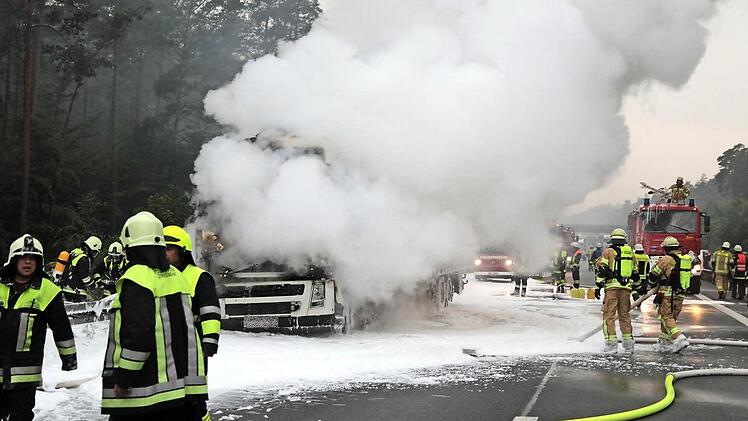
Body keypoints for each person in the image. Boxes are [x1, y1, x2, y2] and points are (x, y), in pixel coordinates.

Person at [101, 212, 207, 419]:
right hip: (179, 387)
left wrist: (124, 377)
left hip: (145, 389)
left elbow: (139, 333)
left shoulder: (137, 277)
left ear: (131, 246)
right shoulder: (176, 275)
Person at [0, 235, 77, 420]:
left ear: (39, 262)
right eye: (23, 257)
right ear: (13, 260)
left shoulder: (48, 291)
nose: (27, 262)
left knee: (21, 416)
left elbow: (62, 329)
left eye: (33, 258)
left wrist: (69, 360)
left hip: (25, 374)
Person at [164, 225, 220, 421]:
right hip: (168, 348)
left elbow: (210, 312)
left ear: (182, 251)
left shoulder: (199, 277)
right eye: (162, 248)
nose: (165, 253)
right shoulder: (161, 277)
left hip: (193, 348)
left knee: (194, 399)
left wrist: (209, 342)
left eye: (169, 248)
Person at [594, 228, 637, 353]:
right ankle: (629, 345)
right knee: (624, 315)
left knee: (609, 316)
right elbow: (635, 273)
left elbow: (602, 271)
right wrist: (635, 290)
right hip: (626, 289)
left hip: (612, 289)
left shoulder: (608, 252)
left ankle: (611, 345)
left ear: (612, 239)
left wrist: (598, 287)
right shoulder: (630, 252)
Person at [648, 236, 692, 353]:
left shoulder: (666, 259)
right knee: (670, 319)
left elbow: (653, 274)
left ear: (666, 249)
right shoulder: (685, 259)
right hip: (680, 295)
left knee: (666, 317)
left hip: (667, 294)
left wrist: (651, 284)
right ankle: (665, 343)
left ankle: (679, 338)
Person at [60, 235, 102, 302]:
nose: (94, 255)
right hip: (76, 291)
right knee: (82, 310)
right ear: (91, 249)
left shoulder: (76, 252)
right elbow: (85, 277)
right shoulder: (84, 259)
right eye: (95, 253)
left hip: (65, 287)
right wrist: (94, 285)